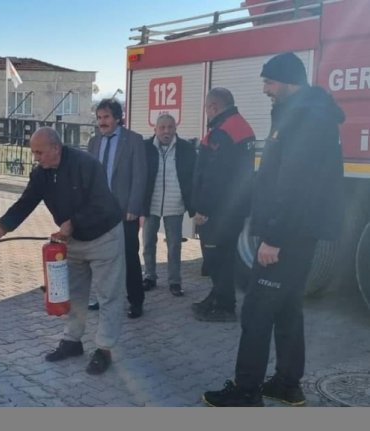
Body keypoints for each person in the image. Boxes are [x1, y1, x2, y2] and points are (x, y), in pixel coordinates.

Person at [203, 52, 344, 407]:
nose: (264, 89)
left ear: (287, 80)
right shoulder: (303, 113)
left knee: (256, 311)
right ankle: (286, 383)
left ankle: (247, 389)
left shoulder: (305, 119)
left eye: (269, 82)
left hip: (288, 235)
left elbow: (294, 184)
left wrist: (274, 238)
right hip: (299, 232)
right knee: (287, 308)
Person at [0, 127, 125, 375]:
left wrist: (73, 222)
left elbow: (102, 202)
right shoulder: (41, 174)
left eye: (39, 152)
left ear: (56, 148)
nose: (35, 158)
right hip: (73, 241)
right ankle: (72, 341)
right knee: (75, 294)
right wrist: (1, 230)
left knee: (108, 295)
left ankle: (104, 349)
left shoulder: (86, 165)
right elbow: (25, 202)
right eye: (33, 152)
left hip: (105, 236)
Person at [192, 88, 256, 322]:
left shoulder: (222, 132)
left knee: (216, 259)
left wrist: (202, 210)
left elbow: (213, 176)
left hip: (219, 211)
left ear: (214, 107)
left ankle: (225, 307)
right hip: (235, 208)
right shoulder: (242, 126)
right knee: (225, 256)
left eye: (207, 109)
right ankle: (217, 297)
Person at [87, 99, 147, 318]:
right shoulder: (94, 142)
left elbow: (140, 177)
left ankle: (136, 301)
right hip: (99, 212)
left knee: (129, 257)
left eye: (107, 117)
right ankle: (104, 299)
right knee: (101, 259)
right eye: (100, 117)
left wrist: (134, 206)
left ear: (118, 118)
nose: (102, 122)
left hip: (125, 211)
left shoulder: (134, 140)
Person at [141, 114, 196, 297]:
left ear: (175, 128)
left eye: (170, 127)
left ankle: (174, 281)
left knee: (174, 245)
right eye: (162, 127)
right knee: (148, 243)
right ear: (155, 129)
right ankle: (149, 276)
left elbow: (193, 177)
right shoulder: (145, 148)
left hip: (175, 205)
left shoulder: (186, 149)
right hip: (151, 204)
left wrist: (193, 204)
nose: (166, 131)